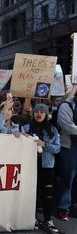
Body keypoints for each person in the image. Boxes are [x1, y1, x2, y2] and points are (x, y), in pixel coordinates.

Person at [23, 104, 61, 232]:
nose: (39, 114)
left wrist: (44, 145)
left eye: (42, 111)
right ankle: (30, 218)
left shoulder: (53, 130)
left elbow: (57, 148)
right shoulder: (26, 128)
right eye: (36, 111)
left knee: (47, 194)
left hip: (47, 166)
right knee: (31, 193)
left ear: (46, 114)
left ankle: (48, 219)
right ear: (33, 113)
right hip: (30, 166)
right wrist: (19, 135)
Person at [57, 89, 77, 221]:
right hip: (69, 148)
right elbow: (67, 126)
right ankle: (63, 208)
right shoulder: (66, 106)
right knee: (67, 179)